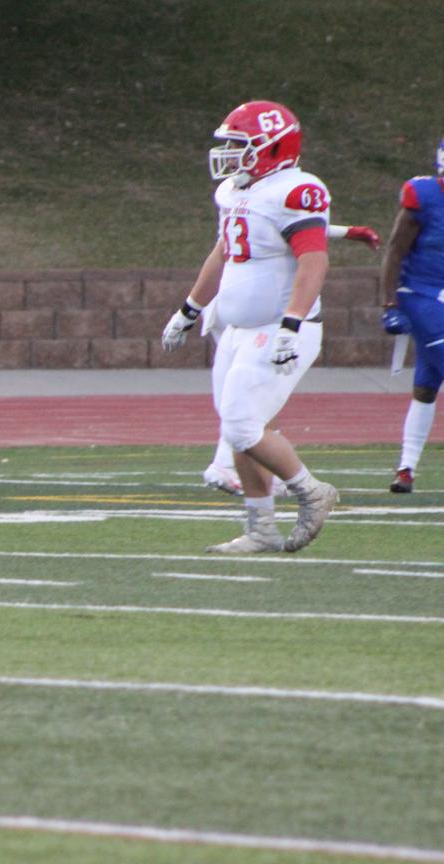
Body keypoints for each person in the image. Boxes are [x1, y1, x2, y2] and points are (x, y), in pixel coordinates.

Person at [160, 100, 340, 554]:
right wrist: (189, 309)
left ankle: (311, 491)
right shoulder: (236, 192)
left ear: (272, 147)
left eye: (240, 145)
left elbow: (313, 262)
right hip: (238, 329)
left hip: (278, 328)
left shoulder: (296, 190)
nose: (230, 154)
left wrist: (291, 325)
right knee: (240, 426)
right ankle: (261, 529)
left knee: (242, 425)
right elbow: (223, 253)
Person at [198, 221, 380, 495]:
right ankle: (227, 464)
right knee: (253, 391)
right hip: (253, 308)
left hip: (235, 301)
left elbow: (287, 223)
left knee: (253, 393)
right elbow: (291, 225)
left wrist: (347, 232)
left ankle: (256, 471)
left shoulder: (247, 198)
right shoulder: (260, 198)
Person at [378, 136, 444, 494]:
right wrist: (389, 305)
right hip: (419, 293)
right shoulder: (423, 197)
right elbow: (395, 250)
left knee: (426, 383)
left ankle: (406, 469)